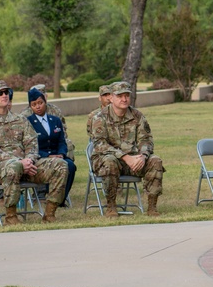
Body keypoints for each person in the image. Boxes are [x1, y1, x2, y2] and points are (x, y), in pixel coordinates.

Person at [0, 80, 68, 225]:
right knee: (13, 166)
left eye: (6, 92)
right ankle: (11, 216)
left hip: (27, 166)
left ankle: (49, 214)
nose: (4, 95)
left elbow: (32, 144)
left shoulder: (21, 120)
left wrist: (29, 160)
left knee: (60, 165)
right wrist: (19, 162)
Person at [89, 81, 164, 217]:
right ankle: (111, 206)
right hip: (106, 160)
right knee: (110, 162)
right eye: (120, 96)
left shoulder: (137, 116)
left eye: (127, 96)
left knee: (155, 161)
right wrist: (125, 157)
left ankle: (152, 207)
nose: (124, 99)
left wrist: (142, 156)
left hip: (133, 160)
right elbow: (100, 144)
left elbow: (146, 140)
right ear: (111, 97)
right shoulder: (100, 117)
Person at [25, 87, 77, 203]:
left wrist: (61, 154)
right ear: (30, 106)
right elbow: (30, 146)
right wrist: (48, 156)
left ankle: (60, 199)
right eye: (34, 104)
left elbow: (61, 141)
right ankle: (48, 196)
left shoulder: (55, 120)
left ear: (45, 102)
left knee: (71, 166)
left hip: (58, 156)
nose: (38, 107)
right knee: (56, 167)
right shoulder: (27, 122)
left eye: (40, 103)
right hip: (40, 157)